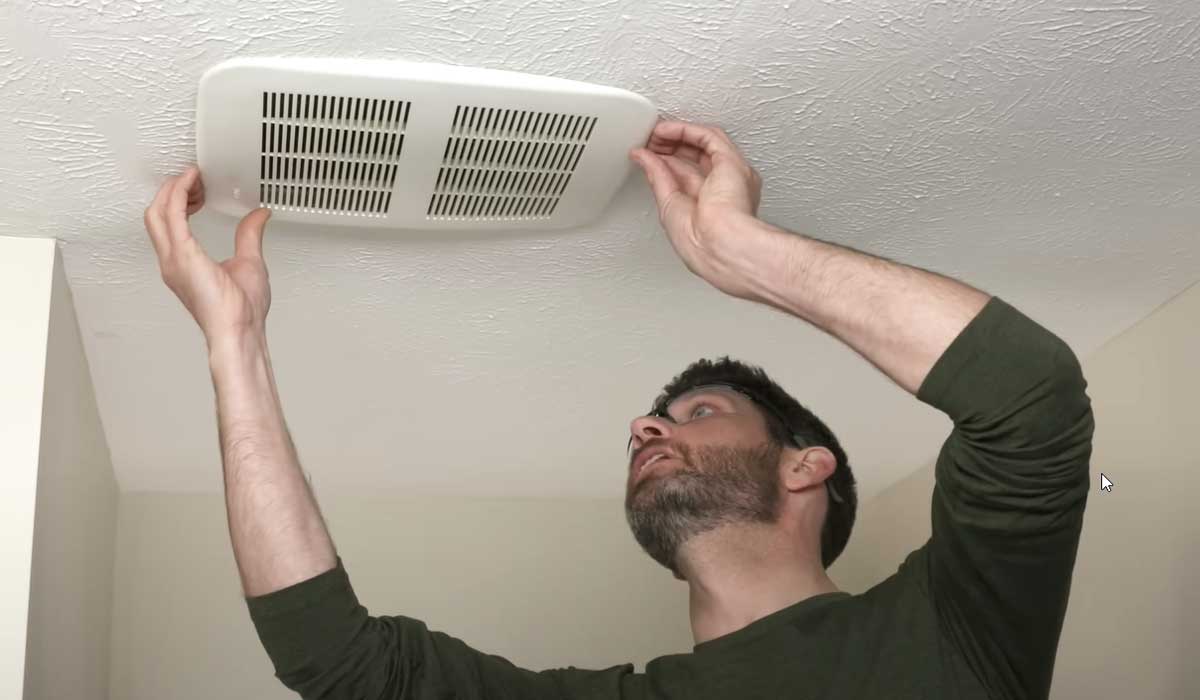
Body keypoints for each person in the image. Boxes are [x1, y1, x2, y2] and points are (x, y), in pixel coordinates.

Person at [143, 119, 1094, 699]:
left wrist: (741, 253)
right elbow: (334, 661)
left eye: (698, 410)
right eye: (664, 416)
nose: (646, 427)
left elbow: (1030, 400)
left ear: (808, 465)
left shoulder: (950, 633)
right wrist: (234, 342)